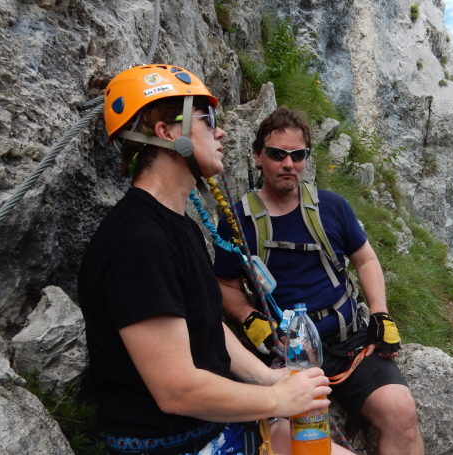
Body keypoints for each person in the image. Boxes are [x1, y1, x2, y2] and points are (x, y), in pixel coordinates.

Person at [78, 65, 350, 455]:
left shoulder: (178, 226)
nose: (220, 132)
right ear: (168, 133)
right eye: (207, 121)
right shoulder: (138, 241)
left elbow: (202, 323)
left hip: (217, 431)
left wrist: (269, 378)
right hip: (174, 445)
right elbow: (177, 390)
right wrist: (278, 402)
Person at [214, 106, 426, 455]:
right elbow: (225, 286)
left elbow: (366, 258)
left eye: (298, 155)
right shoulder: (237, 222)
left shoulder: (332, 207)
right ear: (257, 156)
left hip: (348, 342)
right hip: (288, 350)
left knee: (401, 409)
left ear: (307, 159)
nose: (288, 164)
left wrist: (380, 314)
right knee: (296, 440)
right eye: (277, 154)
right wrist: (249, 318)